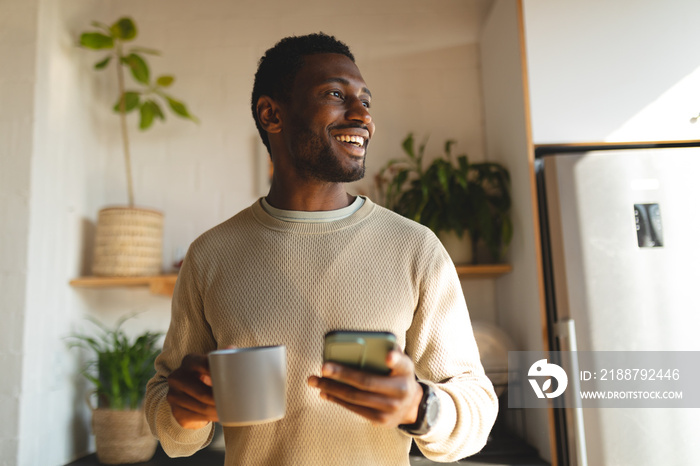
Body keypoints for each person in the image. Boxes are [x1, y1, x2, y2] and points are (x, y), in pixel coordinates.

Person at [144, 32, 498, 465]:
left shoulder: (415, 248)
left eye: (365, 102)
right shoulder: (210, 256)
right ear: (271, 114)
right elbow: (169, 418)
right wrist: (184, 413)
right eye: (335, 94)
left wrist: (420, 407)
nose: (361, 115)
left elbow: (477, 406)